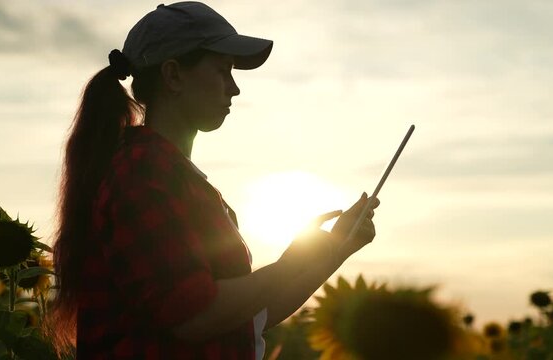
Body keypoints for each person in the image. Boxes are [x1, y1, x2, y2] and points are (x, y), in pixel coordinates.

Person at [49, 2, 379, 359]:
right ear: (173, 75)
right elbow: (194, 315)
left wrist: (336, 248)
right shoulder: (141, 174)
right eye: (223, 71)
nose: (234, 88)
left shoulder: (171, 175)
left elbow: (246, 314)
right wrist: (294, 262)